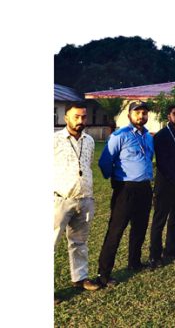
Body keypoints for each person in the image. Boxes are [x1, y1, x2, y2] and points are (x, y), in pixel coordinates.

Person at [94, 100, 155, 287]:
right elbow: (105, 162)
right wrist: (116, 180)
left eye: (144, 113)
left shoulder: (148, 136)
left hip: (144, 187)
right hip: (125, 189)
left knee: (140, 227)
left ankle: (134, 262)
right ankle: (104, 273)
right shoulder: (119, 135)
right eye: (137, 112)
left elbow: (149, 157)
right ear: (129, 115)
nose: (141, 116)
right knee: (116, 231)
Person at [54, 102, 100, 292]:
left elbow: (87, 165)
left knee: (79, 242)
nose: (80, 121)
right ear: (66, 118)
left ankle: (80, 278)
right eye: (76, 117)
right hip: (60, 199)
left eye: (84, 117)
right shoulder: (54, 140)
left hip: (85, 198)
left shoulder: (89, 140)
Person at [149, 103, 175, 268]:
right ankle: (155, 256)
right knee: (159, 221)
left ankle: (171, 250)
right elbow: (162, 164)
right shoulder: (161, 136)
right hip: (166, 184)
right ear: (169, 116)